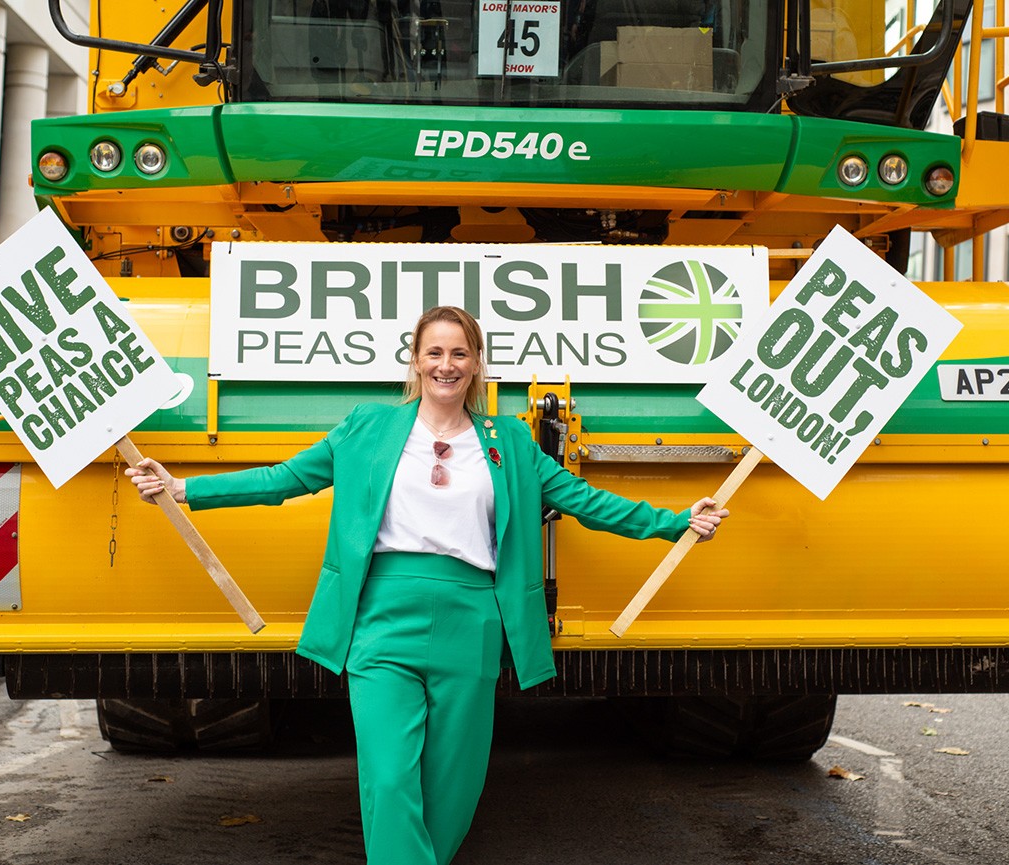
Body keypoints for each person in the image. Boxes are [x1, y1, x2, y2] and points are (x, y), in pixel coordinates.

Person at [127, 305, 728, 865]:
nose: (447, 365)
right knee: (388, 778)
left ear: (476, 364)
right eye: (435, 352)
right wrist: (184, 489)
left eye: (460, 354)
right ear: (415, 359)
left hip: (472, 622)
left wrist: (675, 522)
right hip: (382, 620)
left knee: (453, 787)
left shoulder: (512, 442)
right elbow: (287, 478)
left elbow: (587, 502)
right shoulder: (368, 427)